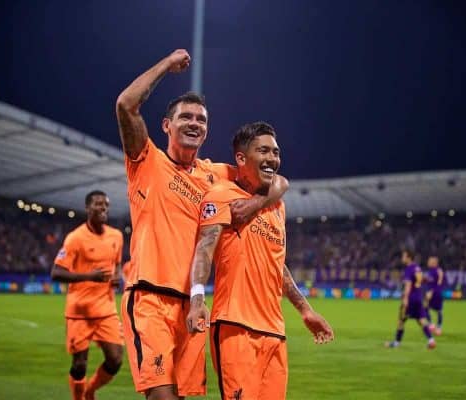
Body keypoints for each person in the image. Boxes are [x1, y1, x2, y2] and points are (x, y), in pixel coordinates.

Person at [115, 49, 288, 400]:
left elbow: (272, 176)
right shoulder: (146, 160)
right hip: (150, 298)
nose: (195, 123)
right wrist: (166, 65)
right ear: (166, 125)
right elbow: (125, 105)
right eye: (186, 117)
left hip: (193, 306)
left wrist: (274, 192)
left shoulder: (215, 174)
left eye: (202, 119)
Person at [186, 121, 334, 400]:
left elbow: (277, 264)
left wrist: (305, 310)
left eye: (276, 152)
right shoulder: (221, 195)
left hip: (275, 332)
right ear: (241, 158)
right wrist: (197, 299)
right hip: (236, 327)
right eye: (263, 151)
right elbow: (204, 249)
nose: (272, 159)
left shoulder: (276, 205)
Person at [51, 190, 124, 400]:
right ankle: (79, 397)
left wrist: (117, 277)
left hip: (105, 310)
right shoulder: (75, 238)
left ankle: (90, 391)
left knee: (115, 359)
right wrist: (89, 276)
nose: (103, 208)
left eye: (106, 205)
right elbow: (56, 273)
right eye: (98, 204)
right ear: (87, 208)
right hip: (79, 312)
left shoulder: (116, 236)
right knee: (79, 364)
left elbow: (117, 264)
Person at [385, 250, 436, 349]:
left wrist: (405, 298)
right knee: (421, 319)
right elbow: (422, 279)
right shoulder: (417, 268)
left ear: (408, 258)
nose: (402, 258)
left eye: (404, 256)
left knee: (401, 320)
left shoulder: (409, 269)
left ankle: (396, 343)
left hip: (411, 298)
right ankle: (431, 340)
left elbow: (408, 285)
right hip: (418, 297)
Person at [424, 256, 444, 335]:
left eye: (429, 261)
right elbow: (429, 281)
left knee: (439, 311)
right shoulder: (430, 271)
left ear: (434, 262)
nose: (428, 262)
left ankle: (439, 327)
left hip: (436, 293)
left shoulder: (439, 271)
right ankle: (431, 325)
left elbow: (439, 283)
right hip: (429, 292)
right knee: (425, 307)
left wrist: (432, 291)